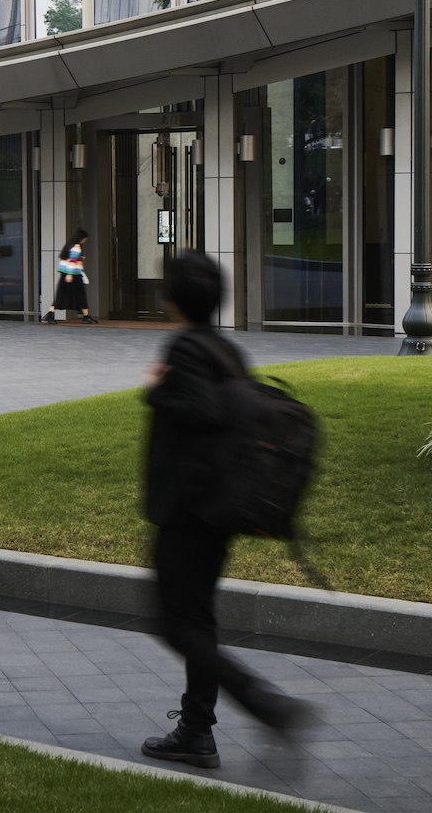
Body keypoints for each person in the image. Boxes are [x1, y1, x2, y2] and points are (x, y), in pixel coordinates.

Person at [140, 251, 306, 769]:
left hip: (189, 509)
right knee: (199, 620)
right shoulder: (226, 350)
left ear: (172, 298)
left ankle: (266, 705)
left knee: (175, 623)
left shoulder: (186, 347)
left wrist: (156, 390)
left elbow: (204, 411)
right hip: (218, 508)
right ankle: (196, 731)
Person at [51, 229, 92, 323]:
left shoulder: (69, 246)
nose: (84, 241)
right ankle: (86, 317)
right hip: (74, 274)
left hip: (64, 272)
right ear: (81, 238)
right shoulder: (76, 248)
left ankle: (50, 313)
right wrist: (70, 274)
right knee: (81, 295)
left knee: (61, 294)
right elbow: (72, 261)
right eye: (84, 239)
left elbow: (68, 259)